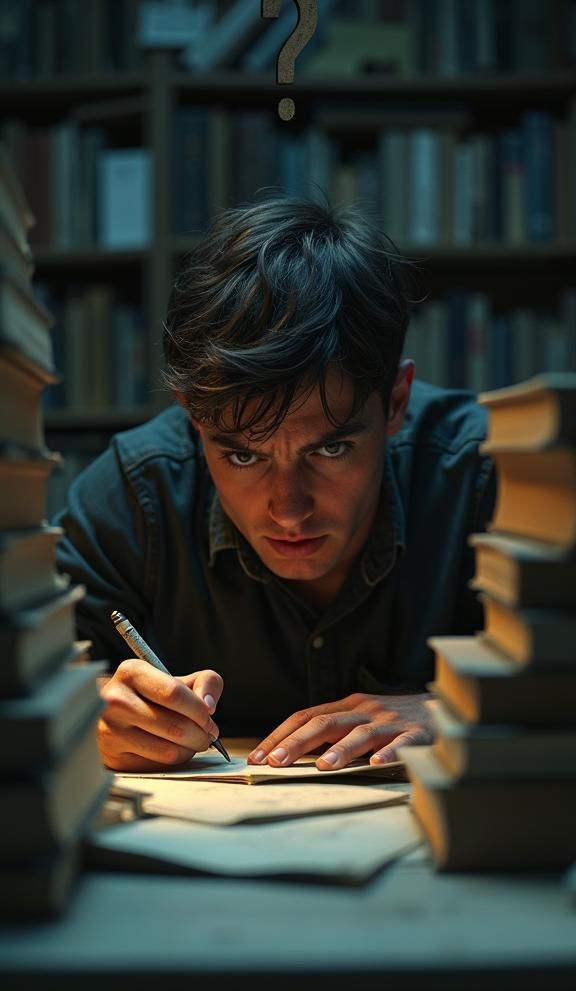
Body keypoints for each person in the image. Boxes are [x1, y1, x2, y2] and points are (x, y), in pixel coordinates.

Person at [54, 195, 495, 773]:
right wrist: (86, 716)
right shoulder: (134, 497)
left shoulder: (492, 481)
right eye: (242, 455)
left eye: (330, 448)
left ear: (396, 402)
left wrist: (464, 711)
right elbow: (28, 690)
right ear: (194, 416)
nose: (289, 510)